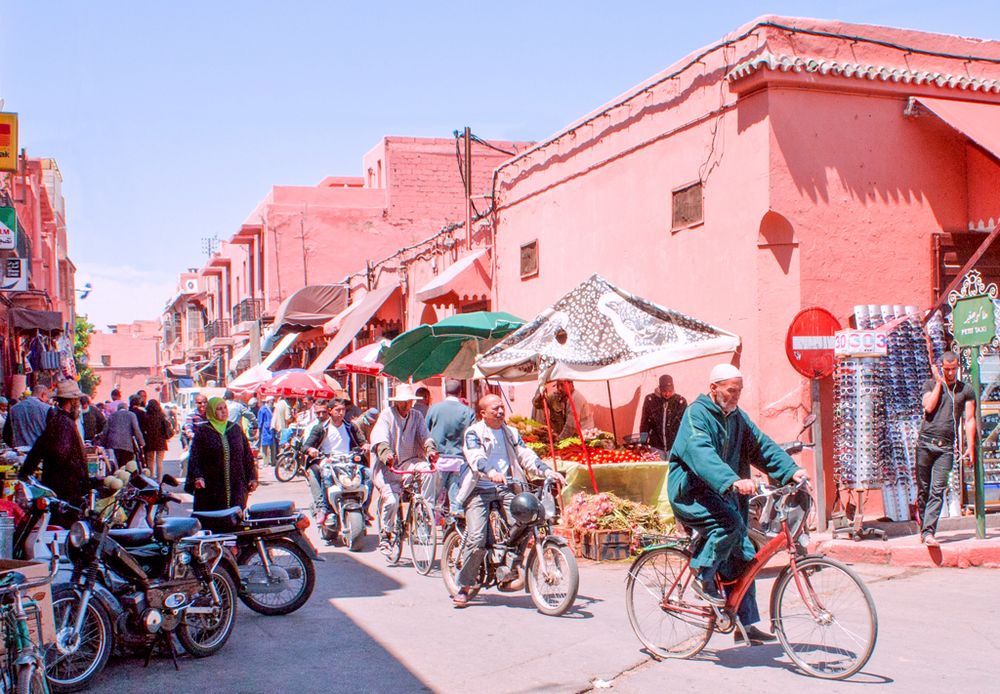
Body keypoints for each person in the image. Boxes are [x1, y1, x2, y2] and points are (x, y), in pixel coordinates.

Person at [667, 363, 806, 644]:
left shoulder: (737, 418)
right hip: (692, 493)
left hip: (725, 494)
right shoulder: (696, 414)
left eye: (739, 390)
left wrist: (792, 471)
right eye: (731, 390)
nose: (736, 396)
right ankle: (703, 576)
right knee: (729, 525)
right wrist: (732, 480)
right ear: (714, 389)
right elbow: (700, 453)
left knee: (744, 555)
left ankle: (745, 625)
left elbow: (761, 446)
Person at [453, 393, 565, 608]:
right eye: (495, 409)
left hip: (505, 488)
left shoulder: (511, 433)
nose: (501, 411)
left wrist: (548, 471)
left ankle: (508, 565)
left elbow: (526, 455)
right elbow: (476, 458)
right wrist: (492, 471)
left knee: (527, 519)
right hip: (478, 489)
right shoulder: (473, 433)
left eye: (502, 407)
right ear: (483, 413)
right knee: (477, 539)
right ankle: (465, 586)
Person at [369, 384, 439, 550]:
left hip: (409, 462)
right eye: (402, 402)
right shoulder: (387, 415)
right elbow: (380, 438)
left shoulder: (416, 416)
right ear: (396, 402)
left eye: (408, 401)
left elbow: (425, 436)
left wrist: (430, 450)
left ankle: (424, 512)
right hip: (388, 467)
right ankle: (386, 534)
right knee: (392, 501)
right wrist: (386, 453)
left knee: (429, 472)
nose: (406, 405)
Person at [917, 351, 975, 547]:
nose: (951, 373)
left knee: (937, 489)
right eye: (947, 369)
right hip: (925, 443)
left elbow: (970, 419)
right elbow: (929, 407)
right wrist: (940, 382)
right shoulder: (930, 385)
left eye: (954, 369)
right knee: (924, 489)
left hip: (946, 448)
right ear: (940, 367)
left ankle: (929, 532)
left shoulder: (965, 390)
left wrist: (970, 446)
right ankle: (924, 528)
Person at [18, 380, 88, 525]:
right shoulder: (64, 422)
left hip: (59, 486)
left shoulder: (59, 420)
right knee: (63, 528)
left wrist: (26, 471)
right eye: (77, 400)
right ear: (73, 401)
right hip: (65, 488)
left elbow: (38, 448)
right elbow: (59, 452)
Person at [185, 397, 259, 512]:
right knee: (214, 519)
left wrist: (252, 477)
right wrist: (198, 477)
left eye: (225, 408)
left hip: (236, 485)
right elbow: (195, 457)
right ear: (212, 412)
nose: (224, 411)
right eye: (219, 409)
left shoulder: (235, 429)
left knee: (235, 517)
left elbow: (247, 456)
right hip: (211, 487)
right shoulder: (203, 431)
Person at [304, 399, 369, 524]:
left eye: (343, 410)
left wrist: (365, 445)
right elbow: (306, 446)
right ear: (330, 411)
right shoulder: (320, 428)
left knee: (367, 474)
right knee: (326, 474)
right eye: (337, 410)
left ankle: (364, 509)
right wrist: (311, 449)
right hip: (328, 460)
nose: (341, 413)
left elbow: (361, 441)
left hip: (348, 460)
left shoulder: (351, 426)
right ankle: (326, 510)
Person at [426, 379, 475, 517]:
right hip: (459, 460)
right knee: (455, 500)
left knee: (431, 498)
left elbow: (425, 432)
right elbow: (472, 436)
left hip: (438, 459)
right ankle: (453, 533)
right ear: (460, 392)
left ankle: (426, 529)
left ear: (445, 391)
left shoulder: (434, 409)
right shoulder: (468, 412)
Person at [639, 374, 688, 455]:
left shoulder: (680, 401)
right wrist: (643, 442)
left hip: (674, 446)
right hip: (656, 446)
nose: (667, 394)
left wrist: (685, 443)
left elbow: (685, 425)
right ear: (659, 388)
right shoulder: (650, 400)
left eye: (670, 391)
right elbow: (644, 423)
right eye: (664, 391)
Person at [3, 384, 52, 449]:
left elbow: (7, 434)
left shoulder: (14, 409)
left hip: (20, 451)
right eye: (47, 397)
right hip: (40, 452)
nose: (47, 400)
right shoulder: (47, 409)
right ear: (43, 394)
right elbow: (52, 434)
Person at [100, 401, 144, 468]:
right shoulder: (131, 415)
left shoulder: (112, 415)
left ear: (118, 408)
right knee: (126, 466)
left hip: (113, 444)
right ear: (127, 408)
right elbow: (136, 430)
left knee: (116, 465)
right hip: (127, 445)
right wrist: (141, 443)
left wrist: (102, 443)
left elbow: (105, 431)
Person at [144, 399, 173, 480]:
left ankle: (151, 477)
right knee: (159, 461)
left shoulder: (146, 416)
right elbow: (166, 427)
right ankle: (159, 479)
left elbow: (143, 428)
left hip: (149, 440)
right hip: (160, 440)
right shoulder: (161, 415)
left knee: (150, 460)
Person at [257, 396, 275, 466]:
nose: (273, 402)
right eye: (271, 401)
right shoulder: (263, 409)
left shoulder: (273, 409)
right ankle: (265, 462)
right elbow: (260, 421)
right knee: (264, 446)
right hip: (265, 430)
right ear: (268, 401)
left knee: (272, 446)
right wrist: (259, 430)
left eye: (273, 400)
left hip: (271, 429)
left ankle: (273, 461)